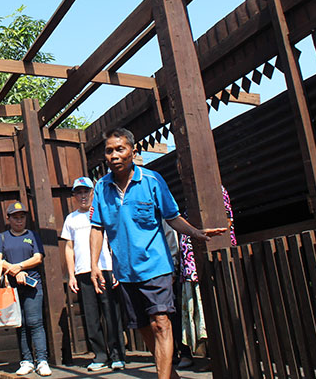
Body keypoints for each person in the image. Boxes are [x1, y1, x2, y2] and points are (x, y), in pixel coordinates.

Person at [89, 128, 227, 379]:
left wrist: (196, 233)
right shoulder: (101, 188)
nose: (114, 155)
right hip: (125, 271)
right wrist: (95, 264)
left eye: (120, 149)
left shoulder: (152, 180)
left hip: (156, 266)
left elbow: (172, 218)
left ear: (133, 151)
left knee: (160, 323)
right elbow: (97, 228)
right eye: (109, 151)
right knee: (141, 326)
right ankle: (170, 374)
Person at [61, 177, 125, 372]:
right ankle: (100, 355)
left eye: (86, 192)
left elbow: (115, 240)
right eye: (78, 192)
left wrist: (115, 268)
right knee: (91, 315)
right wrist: (71, 275)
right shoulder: (70, 219)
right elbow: (69, 247)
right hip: (83, 272)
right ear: (74, 196)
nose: (82, 196)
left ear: (92, 193)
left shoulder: (102, 213)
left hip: (105, 268)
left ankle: (117, 355)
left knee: (111, 312)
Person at [178, 186, 237, 369]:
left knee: (218, 309)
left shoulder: (215, 189)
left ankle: (225, 360)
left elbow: (227, 220)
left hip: (210, 262)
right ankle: (214, 358)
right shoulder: (190, 195)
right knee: (203, 312)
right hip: (191, 267)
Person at [0, 202, 51, 376]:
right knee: (21, 323)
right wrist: (13, 269)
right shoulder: (2, 237)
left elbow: (38, 257)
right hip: (11, 287)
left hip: (32, 286)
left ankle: (42, 360)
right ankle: (26, 360)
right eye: (15, 217)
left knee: (36, 322)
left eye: (22, 217)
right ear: (8, 218)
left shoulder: (33, 235)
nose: (19, 221)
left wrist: (20, 267)